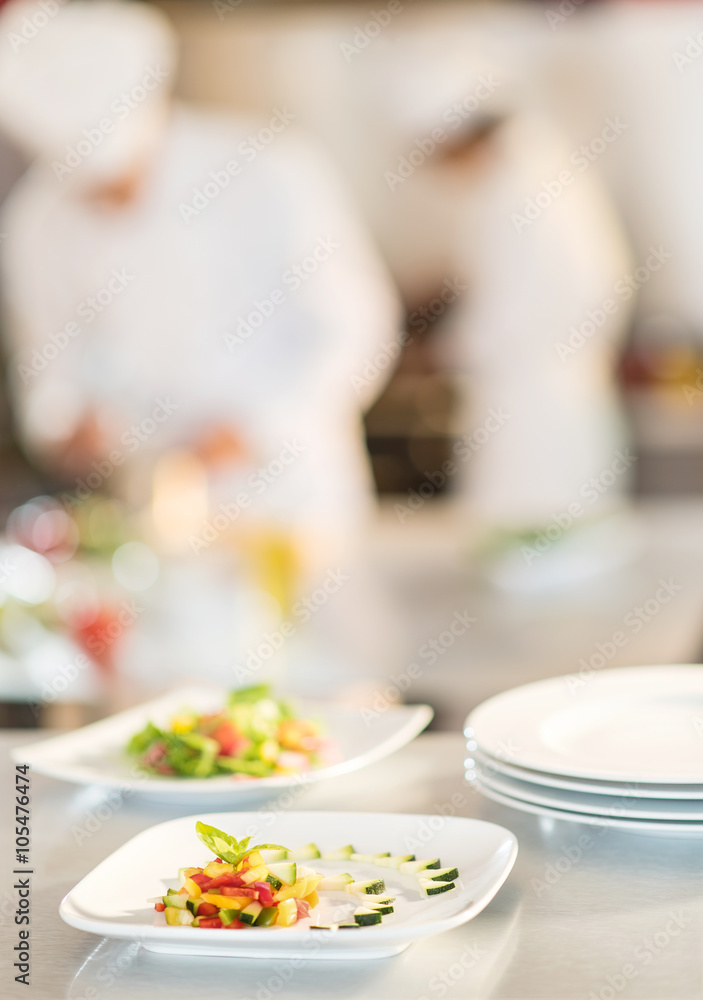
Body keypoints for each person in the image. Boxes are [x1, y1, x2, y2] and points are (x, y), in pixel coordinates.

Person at [0, 0, 401, 590]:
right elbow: (47, 366)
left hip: (295, 502)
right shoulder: (35, 224)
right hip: (150, 517)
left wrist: (255, 426)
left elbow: (355, 328)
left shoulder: (270, 170)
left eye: (121, 182)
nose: (108, 202)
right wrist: (64, 423)